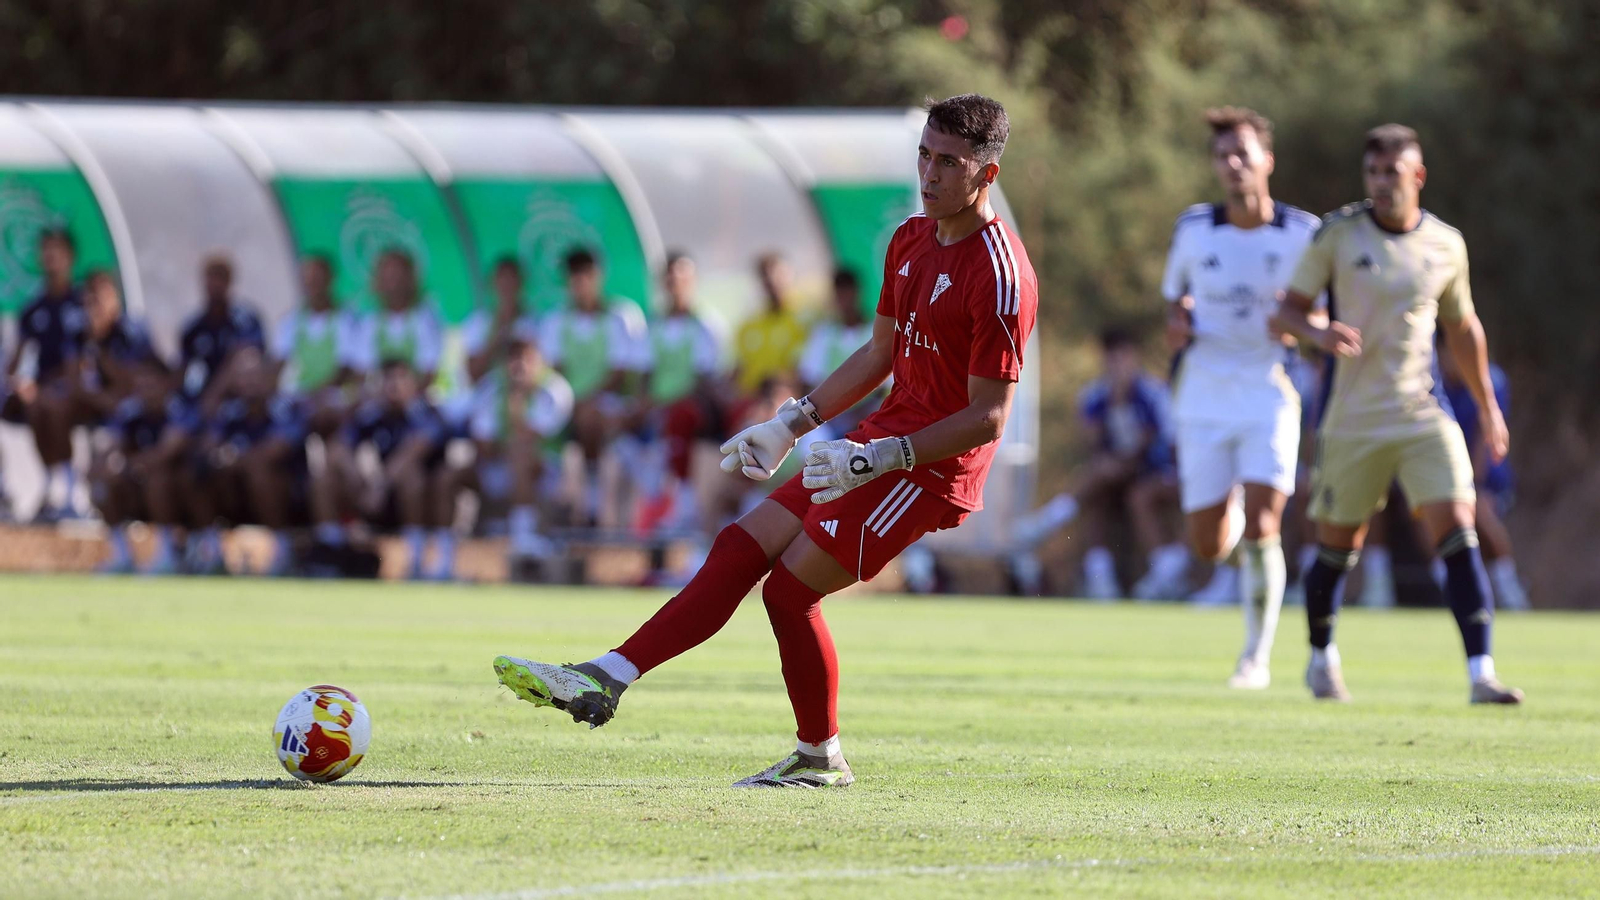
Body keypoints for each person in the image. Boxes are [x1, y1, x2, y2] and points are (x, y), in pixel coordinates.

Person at [492, 93, 1037, 788]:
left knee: (788, 592)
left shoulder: (1002, 274)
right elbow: (879, 355)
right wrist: (790, 423)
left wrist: (885, 456)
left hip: (930, 469)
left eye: (949, 163)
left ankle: (819, 758)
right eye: (924, 155)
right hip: (875, 442)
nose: (929, 173)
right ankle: (608, 674)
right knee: (737, 545)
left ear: (987, 174)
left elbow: (989, 417)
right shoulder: (910, 239)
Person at [1272, 123, 1522, 704]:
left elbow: (1463, 327)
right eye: (1373, 172)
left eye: (1393, 172)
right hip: (1352, 420)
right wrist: (1318, 332)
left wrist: (1488, 407)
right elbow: (1284, 313)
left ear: (1419, 176)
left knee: (1458, 527)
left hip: (1421, 413)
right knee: (1338, 546)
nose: (1382, 183)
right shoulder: (1337, 235)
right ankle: (1320, 657)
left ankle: (1481, 673)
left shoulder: (1445, 244)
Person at [1159, 107, 1321, 688]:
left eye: (1243, 154)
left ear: (1266, 161)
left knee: (1265, 523)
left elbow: (1322, 317)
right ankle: (1232, 525)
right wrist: (1177, 323)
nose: (1232, 164)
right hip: (1203, 393)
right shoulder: (1194, 229)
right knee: (1207, 545)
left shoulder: (1303, 233)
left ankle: (1256, 658)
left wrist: (1299, 326)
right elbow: (1174, 301)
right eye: (1222, 155)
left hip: (1269, 391)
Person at [1009, 328, 1186, 601]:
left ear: (1134, 357)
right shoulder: (1095, 395)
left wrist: (1121, 459)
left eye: (1122, 356)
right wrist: (1115, 402)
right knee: (1096, 496)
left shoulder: (1153, 394)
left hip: (1155, 471)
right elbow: (1091, 441)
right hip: (1113, 475)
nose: (1117, 364)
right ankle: (1101, 578)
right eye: (1111, 357)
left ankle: (1051, 520)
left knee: (1134, 494)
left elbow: (1154, 443)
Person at [430, 335, 574, 580]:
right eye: (513, 358)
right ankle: (443, 559)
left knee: (520, 454)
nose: (520, 366)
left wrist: (515, 405)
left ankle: (522, 539)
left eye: (526, 358)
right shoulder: (492, 387)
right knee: (448, 476)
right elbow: (484, 445)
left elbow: (528, 438)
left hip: (545, 473)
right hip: (498, 466)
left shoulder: (554, 389)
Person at [539, 248, 647, 528]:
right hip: (568, 402)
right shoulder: (556, 320)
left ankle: (592, 501)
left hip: (609, 401)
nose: (579, 282)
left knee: (590, 418)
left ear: (597, 277)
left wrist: (584, 400)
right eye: (574, 275)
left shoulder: (620, 316)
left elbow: (619, 373)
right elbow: (554, 369)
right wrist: (571, 401)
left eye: (585, 274)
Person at [312, 360, 448, 579]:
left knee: (412, 477)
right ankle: (331, 550)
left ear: (414, 384)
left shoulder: (427, 414)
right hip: (373, 495)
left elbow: (412, 452)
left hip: (418, 501)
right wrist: (356, 477)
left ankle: (416, 557)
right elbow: (339, 446)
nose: (394, 385)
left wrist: (380, 487)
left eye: (401, 378)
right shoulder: (371, 415)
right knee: (326, 477)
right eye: (388, 378)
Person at [631, 251, 725, 542]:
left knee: (681, 417)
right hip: (659, 409)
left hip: (690, 410)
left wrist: (661, 405)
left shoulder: (705, 325)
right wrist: (642, 405)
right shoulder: (654, 325)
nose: (675, 285)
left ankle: (683, 507)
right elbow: (644, 375)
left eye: (681, 278)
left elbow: (704, 381)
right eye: (670, 278)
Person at [198, 349, 310, 576]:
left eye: (254, 374)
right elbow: (208, 449)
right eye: (243, 376)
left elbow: (273, 452)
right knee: (202, 470)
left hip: (289, 498)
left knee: (259, 473)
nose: (249, 381)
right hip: (238, 492)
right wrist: (220, 457)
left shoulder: (287, 407)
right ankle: (213, 545)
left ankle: (280, 548)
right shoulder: (229, 412)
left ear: (268, 376)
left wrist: (234, 458)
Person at [1436, 338, 1528, 610]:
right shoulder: (1433, 382)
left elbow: (1483, 442)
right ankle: (1448, 587)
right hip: (1444, 478)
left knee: (1481, 513)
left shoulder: (1490, 380)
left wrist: (1471, 484)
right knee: (1424, 515)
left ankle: (1510, 590)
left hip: (1487, 481)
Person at [4, 228, 87, 521]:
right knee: (38, 406)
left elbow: (92, 355)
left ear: (70, 257)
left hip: (82, 388)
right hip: (44, 388)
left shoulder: (83, 303)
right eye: (46, 250)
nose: (50, 256)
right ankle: (47, 486)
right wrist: (19, 383)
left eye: (57, 250)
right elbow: (16, 361)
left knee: (53, 406)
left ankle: (71, 490)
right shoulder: (33, 308)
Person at [93, 359, 201, 574]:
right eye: (141, 383)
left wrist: (130, 466)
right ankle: (121, 555)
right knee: (104, 482)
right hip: (139, 482)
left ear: (165, 383)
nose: (146, 388)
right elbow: (112, 446)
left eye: (151, 382)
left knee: (158, 480)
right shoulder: (130, 410)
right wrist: (104, 466)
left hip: (185, 490)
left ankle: (168, 554)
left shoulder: (180, 408)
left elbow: (166, 452)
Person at [270, 254, 363, 431]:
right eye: (308, 279)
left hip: (334, 394)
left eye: (318, 278)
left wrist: (314, 394)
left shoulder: (346, 319)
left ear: (330, 280)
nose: (313, 284)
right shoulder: (291, 321)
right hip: (299, 394)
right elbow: (278, 364)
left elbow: (346, 370)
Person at [799, 268, 883, 436]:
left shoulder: (876, 330)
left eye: (848, 292)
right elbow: (808, 381)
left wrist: (855, 417)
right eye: (840, 294)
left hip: (870, 413)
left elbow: (883, 389)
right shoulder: (824, 333)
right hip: (830, 419)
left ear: (857, 293)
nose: (845, 299)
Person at [178, 253, 266, 414]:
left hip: (236, 395)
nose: (215, 283)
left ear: (229, 281)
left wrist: (215, 394)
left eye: (220, 277)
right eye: (211, 277)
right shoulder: (193, 327)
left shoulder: (245, 319)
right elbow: (184, 368)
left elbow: (249, 355)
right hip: (202, 397)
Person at [348, 248, 443, 390]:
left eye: (398, 275)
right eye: (388, 276)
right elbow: (361, 372)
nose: (393, 283)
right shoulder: (369, 322)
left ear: (410, 279)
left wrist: (404, 392)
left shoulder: (425, 319)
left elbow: (430, 372)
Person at [731, 252, 808, 398]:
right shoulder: (749, 325)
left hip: (789, 400)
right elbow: (737, 369)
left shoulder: (805, 321)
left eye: (778, 276)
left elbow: (805, 373)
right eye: (766, 276)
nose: (772, 282)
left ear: (791, 276)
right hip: (750, 398)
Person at [460, 256, 539, 387]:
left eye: (512, 279)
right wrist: (496, 338)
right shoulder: (477, 322)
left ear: (521, 284)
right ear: (492, 283)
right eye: (502, 279)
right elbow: (472, 374)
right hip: (486, 395)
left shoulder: (534, 323)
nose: (507, 285)